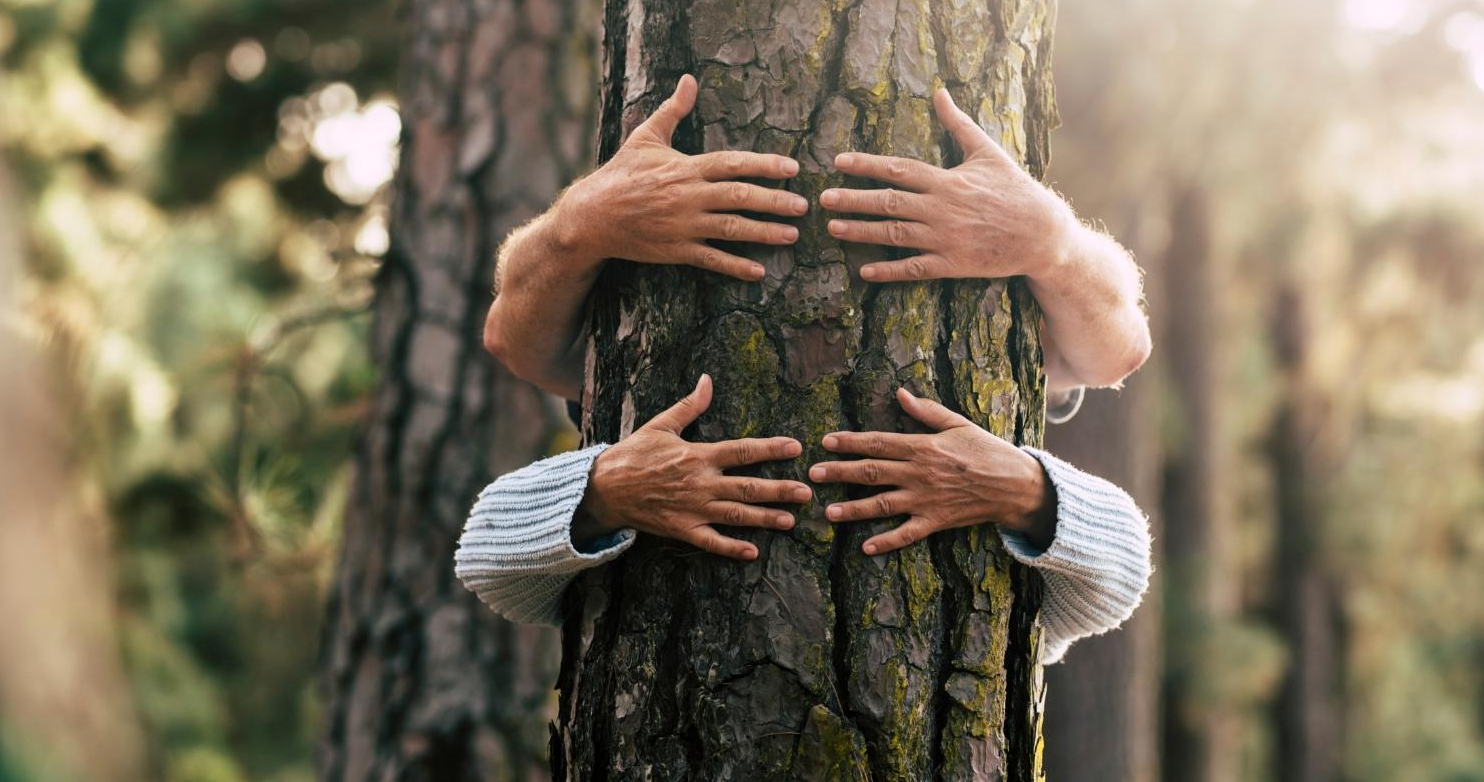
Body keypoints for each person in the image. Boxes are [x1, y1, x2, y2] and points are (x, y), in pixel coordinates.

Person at [456, 75, 1153, 662]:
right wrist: (581, 223)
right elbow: (487, 550)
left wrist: (1053, 244)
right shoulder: (613, 378)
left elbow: (1121, 357)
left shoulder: (1026, 377)